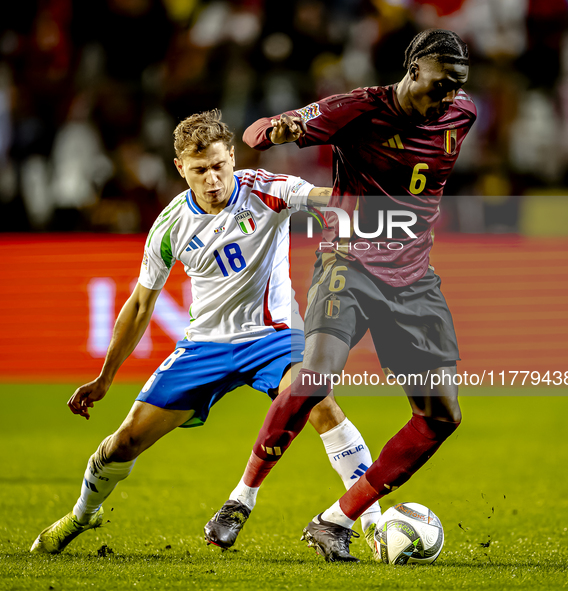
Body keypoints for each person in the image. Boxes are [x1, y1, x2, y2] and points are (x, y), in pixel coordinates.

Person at [30, 110, 380, 554]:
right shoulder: (171, 225)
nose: (212, 179)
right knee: (123, 444)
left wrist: (369, 190)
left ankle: (373, 521)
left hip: (274, 337)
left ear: (232, 157)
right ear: (181, 169)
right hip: (204, 347)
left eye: (219, 165)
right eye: (200, 170)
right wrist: (105, 377)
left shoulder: (266, 191)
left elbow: (322, 197)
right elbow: (140, 304)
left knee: (317, 400)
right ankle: (82, 514)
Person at [204, 29, 477, 562]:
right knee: (315, 376)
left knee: (442, 415)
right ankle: (242, 499)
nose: (450, 96)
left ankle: (335, 520)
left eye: (458, 86)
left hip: (413, 278)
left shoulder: (461, 114)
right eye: (441, 84)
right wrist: (274, 129)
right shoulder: (357, 110)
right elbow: (261, 133)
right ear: (414, 69)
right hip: (347, 263)